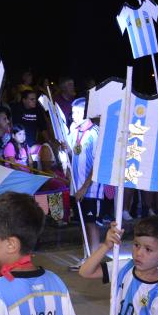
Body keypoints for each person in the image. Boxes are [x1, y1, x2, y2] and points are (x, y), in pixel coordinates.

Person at [66, 97, 103, 269]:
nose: (73, 115)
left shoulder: (95, 133)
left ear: (86, 112)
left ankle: (94, 261)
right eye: (72, 112)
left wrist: (83, 188)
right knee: (82, 223)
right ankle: (86, 258)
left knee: (91, 223)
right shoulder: (74, 131)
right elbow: (70, 152)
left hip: (91, 189)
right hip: (76, 188)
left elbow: (97, 165)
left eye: (77, 112)